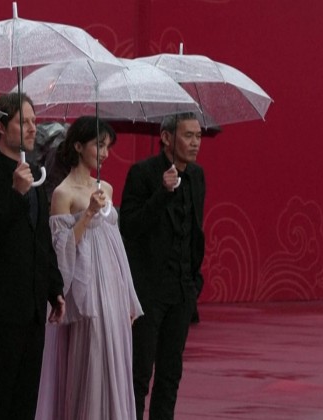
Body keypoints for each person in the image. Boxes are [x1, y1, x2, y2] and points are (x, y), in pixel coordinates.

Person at [0, 92, 66, 420]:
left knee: (24, 401)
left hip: (31, 309)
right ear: (1, 127)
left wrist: (54, 287)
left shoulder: (33, 172)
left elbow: (41, 237)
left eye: (34, 121)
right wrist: (15, 194)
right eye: (24, 122)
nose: (33, 128)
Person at [35, 116, 143, 420]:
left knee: (116, 359)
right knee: (92, 360)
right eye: (99, 145)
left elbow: (116, 245)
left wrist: (128, 294)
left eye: (108, 146)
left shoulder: (105, 187)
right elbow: (61, 252)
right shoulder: (63, 193)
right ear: (78, 146)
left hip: (112, 286)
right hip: (85, 289)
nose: (105, 153)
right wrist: (88, 214)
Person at [119, 112, 206, 420]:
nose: (195, 143)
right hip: (148, 291)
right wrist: (162, 194)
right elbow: (129, 227)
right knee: (140, 372)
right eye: (188, 135)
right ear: (167, 137)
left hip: (182, 290)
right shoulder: (142, 173)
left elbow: (195, 231)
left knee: (170, 373)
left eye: (198, 136)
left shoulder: (197, 176)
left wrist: (194, 282)